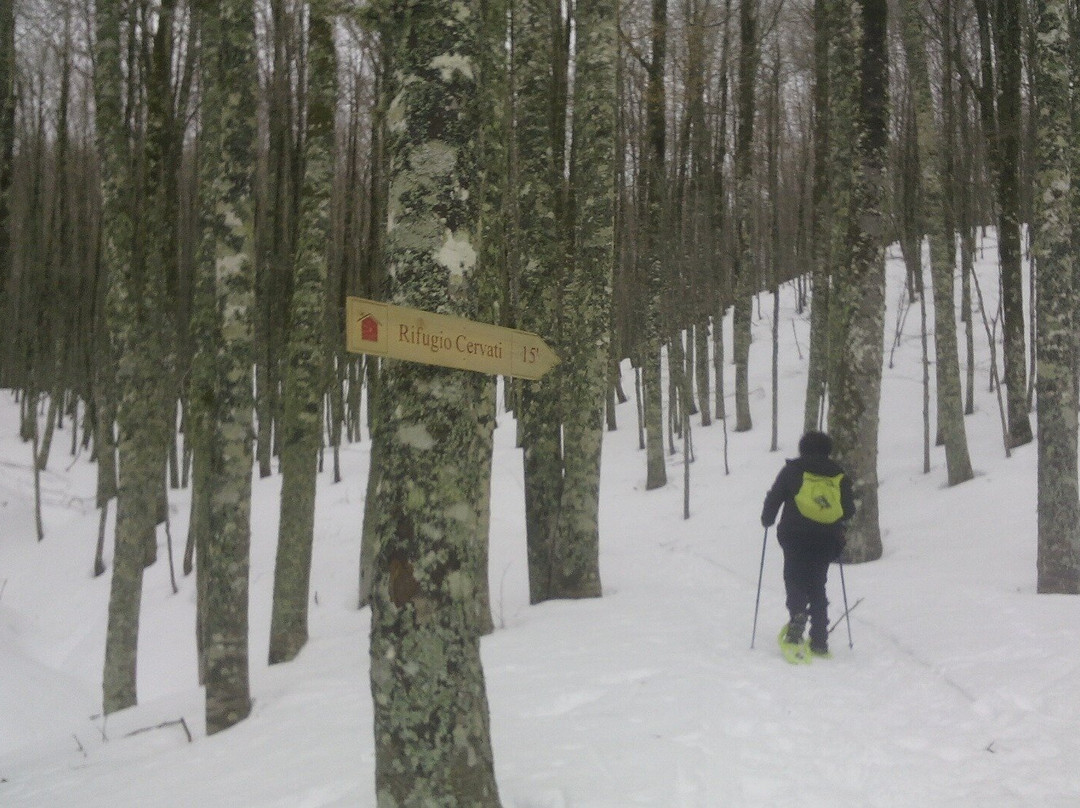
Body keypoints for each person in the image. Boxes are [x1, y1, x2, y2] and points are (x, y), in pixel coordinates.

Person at [760, 431, 855, 656]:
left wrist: (767, 519)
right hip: (826, 537)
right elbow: (849, 509)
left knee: (794, 577)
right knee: (817, 583)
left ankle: (797, 618)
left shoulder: (793, 470)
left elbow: (775, 497)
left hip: (795, 534)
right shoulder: (838, 474)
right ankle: (820, 638)